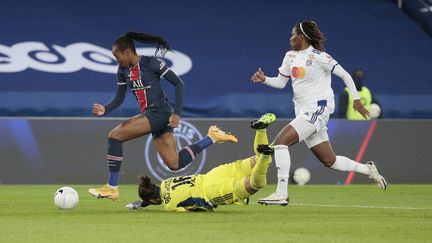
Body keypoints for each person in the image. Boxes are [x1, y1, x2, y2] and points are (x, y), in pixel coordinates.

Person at [88, 32, 238, 201]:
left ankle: (112, 187)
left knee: (114, 136)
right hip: (154, 116)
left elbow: (178, 83)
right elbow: (120, 96)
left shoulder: (151, 63)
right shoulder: (123, 70)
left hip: (159, 112)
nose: (116, 59)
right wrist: (105, 109)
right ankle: (212, 137)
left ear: (128, 52)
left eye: (117, 55)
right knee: (174, 163)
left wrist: (177, 113)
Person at [251, 21, 387, 206]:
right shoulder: (289, 56)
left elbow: (346, 75)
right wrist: (265, 79)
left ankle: (281, 193)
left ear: (303, 37)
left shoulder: (320, 57)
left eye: (293, 35)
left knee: (281, 142)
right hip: (303, 112)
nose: (290, 39)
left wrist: (356, 101)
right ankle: (368, 169)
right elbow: (281, 83)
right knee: (330, 161)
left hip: (318, 108)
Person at [125, 113, 277, 211]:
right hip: (214, 174)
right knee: (256, 159)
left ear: (152, 200)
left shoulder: (169, 205)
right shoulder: (165, 182)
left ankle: (264, 156)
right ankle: (261, 130)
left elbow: (191, 203)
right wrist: (142, 203)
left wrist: (205, 206)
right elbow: (156, 194)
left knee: (255, 184)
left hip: (211, 191)